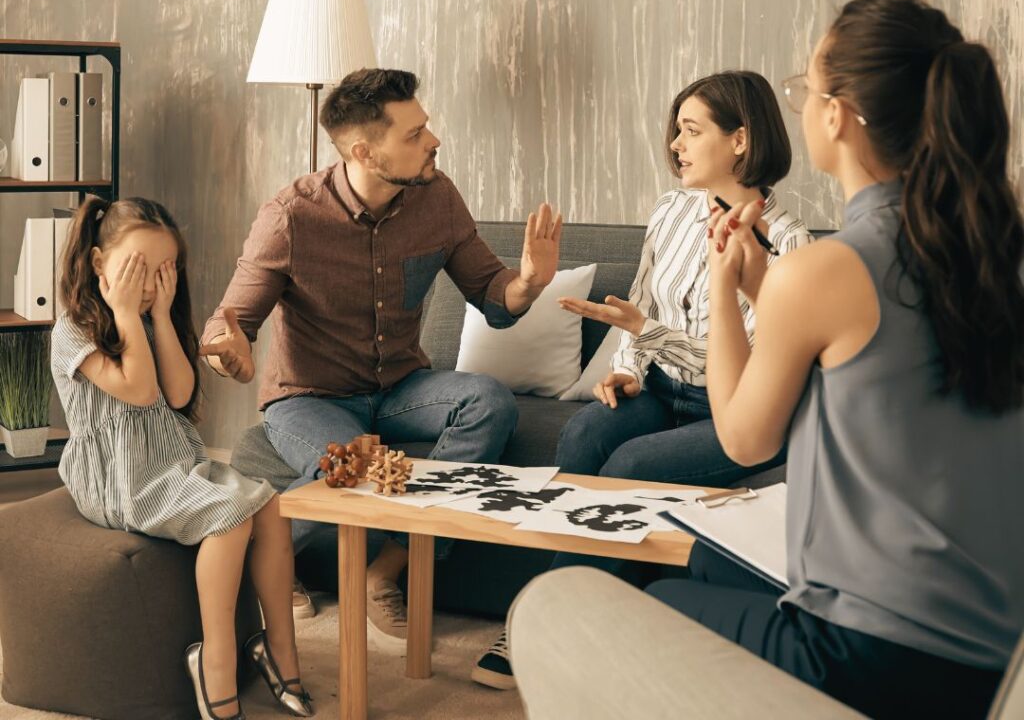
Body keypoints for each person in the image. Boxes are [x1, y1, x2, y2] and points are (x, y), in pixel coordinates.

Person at [645, 0, 1024, 718]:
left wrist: (727, 288)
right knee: (710, 558)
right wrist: (762, 281)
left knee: (647, 607)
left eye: (805, 89)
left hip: (874, 659)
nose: (802, 104)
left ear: (838, 115)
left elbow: (744, 437)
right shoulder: (993, 254)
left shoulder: (826, 271)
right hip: (999, 658)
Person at [200, 68, 562, 653]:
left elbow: (495, 298)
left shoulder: (437, 197)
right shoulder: (291, 215)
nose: (434, 140)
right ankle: (268, 542)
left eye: (426, 127)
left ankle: (384, 570)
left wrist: (527, 281)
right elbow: (231, 321)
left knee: (488, 401)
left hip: (401, 387)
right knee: (357, 466)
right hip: (309, 396)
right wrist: (228, 353)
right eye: (415, 133)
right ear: (365, 151)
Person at [472, 70, 811, 690]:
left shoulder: (788, 242)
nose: (676, 145)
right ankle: (548, 614)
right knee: (582, 438)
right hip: (662, 390)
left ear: (741, 139)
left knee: (627, 468)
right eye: (675, 130)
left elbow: (751, 368)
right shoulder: (672, 209)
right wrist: (627, 366)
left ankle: (553, 629)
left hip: (732, 414)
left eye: (692, 130)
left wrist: (645, 332)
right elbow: (642, 298)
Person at [50, 196, 312, 720]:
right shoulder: (73, 332)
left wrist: (162, 318)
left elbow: (176, 392)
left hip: (174, 464)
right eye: (139, 270)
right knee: (230, 519)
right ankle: (214, 659)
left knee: (270, 508)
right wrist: (126, 313)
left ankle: (280, 650)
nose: (150, 286)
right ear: (101, 264)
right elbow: (141, 390)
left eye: (164, 272)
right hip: (123, 481)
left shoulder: (151, 321)